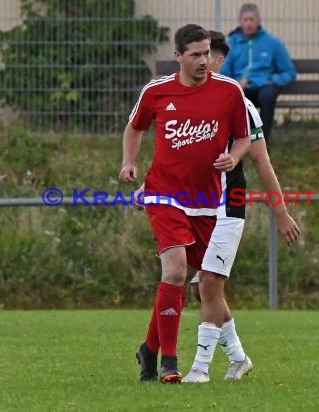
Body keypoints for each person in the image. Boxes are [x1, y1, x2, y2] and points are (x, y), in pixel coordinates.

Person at [119, 24, 251, 384]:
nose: (203, 60)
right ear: (178, 56)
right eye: (195, 54)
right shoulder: (158, 91)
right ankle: (169, 363)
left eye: (207, 52)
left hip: (207, 203)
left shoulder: (228, 92)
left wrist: (234, 158)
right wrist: (129, 163)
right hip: (162, 194)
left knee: (197, 285)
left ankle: (149, 348)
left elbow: (243, 138)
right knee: (175, 271)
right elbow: (135, 127)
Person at [181, 30, 301, 383]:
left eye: (212, 57)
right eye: (200, 56)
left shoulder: (240, 105)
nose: (207, 64)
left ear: (219, 60)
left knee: (211, 282)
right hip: (194, 207)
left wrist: (279, 211)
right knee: (202, 287)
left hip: (227, 207)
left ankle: (200, 368)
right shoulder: (193, 103)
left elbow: (262, 162)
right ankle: (238, 358)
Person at [221, 3, 296, 147]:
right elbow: (224, 73)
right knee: (231, 98)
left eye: (252, 19)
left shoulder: (273, 43)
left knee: (268, 96)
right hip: (241, 88)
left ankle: (260, 143)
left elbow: (289, 72)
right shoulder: (231, 43)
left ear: (258, 21)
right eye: (245, 20)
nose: (248, 23)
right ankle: (233, 144)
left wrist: (272, 79)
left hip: (264, 88)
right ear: (240, 22)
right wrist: (235, 82)